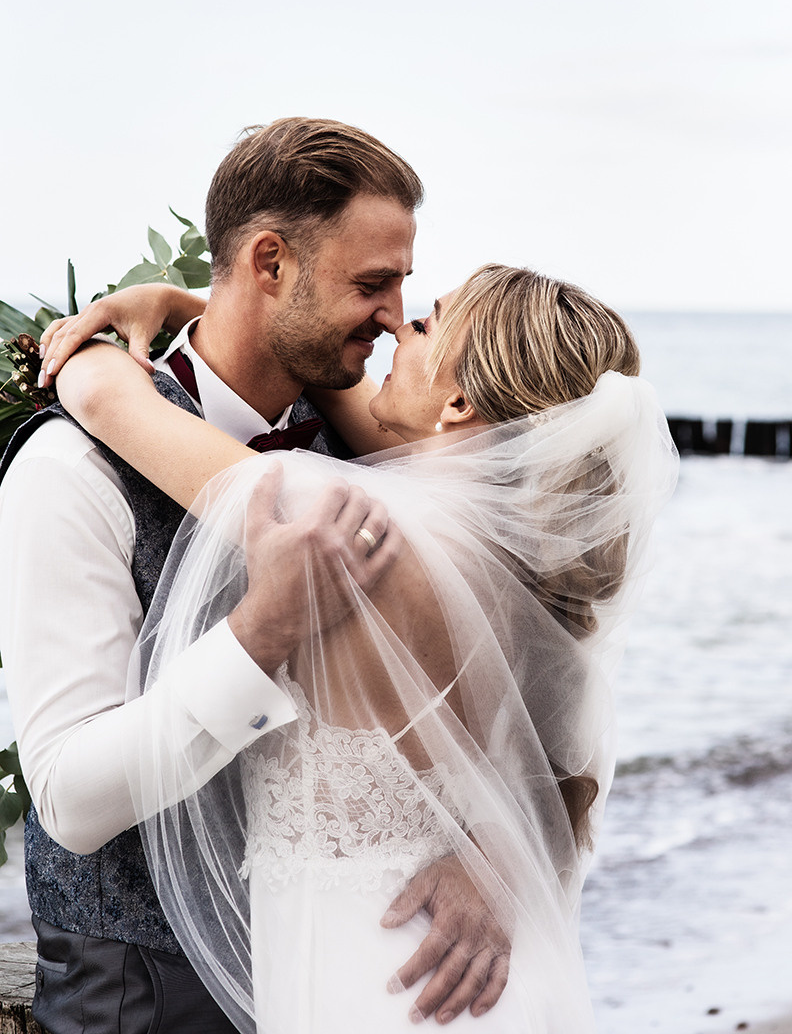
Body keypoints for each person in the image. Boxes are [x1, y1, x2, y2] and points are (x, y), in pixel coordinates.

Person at [38, 263, 678, 1031]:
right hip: (493, 979)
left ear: (460, 403)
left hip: (382, 977)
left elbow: (101, 396)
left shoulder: (337, 526)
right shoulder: (538, 575)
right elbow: (571, 774)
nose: (396, 327)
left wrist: (91, 339)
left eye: (425, 325)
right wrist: (186, 304)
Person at [0, 118, 516, 1034]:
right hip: (148, 988)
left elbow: (524, 681)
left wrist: (493, 851)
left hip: (357, 963)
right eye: (372, 284)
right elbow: (70, 800)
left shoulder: (372, 447)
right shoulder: (70, 469)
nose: (395, 316)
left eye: (402, 285)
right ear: (269, 262)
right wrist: (261, 636)